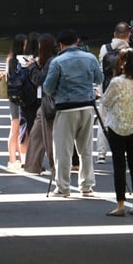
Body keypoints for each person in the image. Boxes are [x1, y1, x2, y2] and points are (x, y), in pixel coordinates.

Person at [44, 29, 102, 198]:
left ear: (60, 44)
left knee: (63, 150)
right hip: (87, 107)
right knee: (86, 149)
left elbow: (48, 87)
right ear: (77, 41)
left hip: (66, 108)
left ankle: (63, 187)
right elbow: (98, 78)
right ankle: (87, 186)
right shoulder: (90, 58)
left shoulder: (58, 61)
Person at [101, 49, 133, 217]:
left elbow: (105, 101)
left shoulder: (116, 82)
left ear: (121, 63)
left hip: (117, 126)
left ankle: (120, 205)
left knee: (119, 166)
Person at [22, 34, 57, 175]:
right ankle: (32, 166)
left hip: (49, 103)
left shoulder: (52, 61)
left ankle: (56, 166)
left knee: (48, 136)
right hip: (45, 102)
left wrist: (32, 67)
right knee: (37, 133)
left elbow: (39, 79)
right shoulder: (51, 60)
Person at [4, 33, 29, 170]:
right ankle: (12, 160)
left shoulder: (14, 59)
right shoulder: (13, 61)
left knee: (20, 129)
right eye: (25, 44)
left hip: (18, 98)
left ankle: (19, 159)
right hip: (15, 98)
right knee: (15, 128)